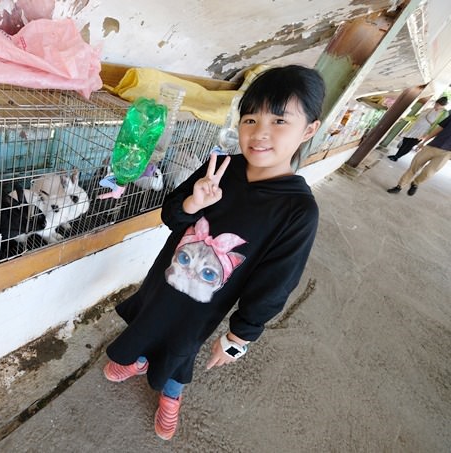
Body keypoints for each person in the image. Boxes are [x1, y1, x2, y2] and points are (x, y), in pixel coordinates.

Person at [103, 65, 323, 441]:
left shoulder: (298, 211)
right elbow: (171, 215)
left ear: (309, 130)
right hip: (165, 279)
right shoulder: (219, 167)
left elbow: (275, 284)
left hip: (203, 304)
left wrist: (239, 338)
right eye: (250, 118)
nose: (259, 133)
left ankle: (171, 397)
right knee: (146, 322)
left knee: (180, 350)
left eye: (279, 121)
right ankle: (138, 361)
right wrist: (193, 201)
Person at [387, 111, 451, 196]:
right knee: (414, 167)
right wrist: (424, 142)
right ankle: (399, 186)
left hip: (446, 153)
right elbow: (439, 128)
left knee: (428, 173)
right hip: (432, 146)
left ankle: (415, 183)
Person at [388, 96, 448, 162]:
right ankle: (396, 155)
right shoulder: (428, 109)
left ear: (443, 106)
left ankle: (397, 157)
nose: (436, 106)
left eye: (438, 105)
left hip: (423, 132)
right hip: (414, 128)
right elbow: (416, 117)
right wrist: (404, 118)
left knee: (410, 145)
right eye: (436, 104)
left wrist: (428, 135)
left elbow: (438, 126)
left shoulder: (443, 114)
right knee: (405, 142)